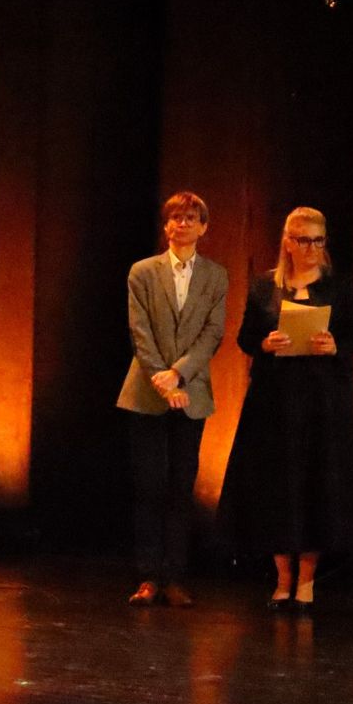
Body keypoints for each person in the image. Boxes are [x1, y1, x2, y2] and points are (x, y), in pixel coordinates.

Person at [217, 207, 353, 613]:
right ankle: (282, 579)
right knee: (277, 489)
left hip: (322, 403)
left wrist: (335, 345)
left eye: (318, 241)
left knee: (317, 487)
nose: (311, 249)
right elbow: (246, 338)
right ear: (287, 242)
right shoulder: (265, 286)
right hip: (275, 402)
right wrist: (266, 343)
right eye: (304, 241)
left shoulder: (339, 286)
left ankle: (307, 581)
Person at [116, 191, 229, 607]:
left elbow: (213, 333)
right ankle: (147, 576)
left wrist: (179, 373)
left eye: (191, 218)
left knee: (182, 486)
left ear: (203, 227)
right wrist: (163, 379)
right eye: (176, 218)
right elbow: (139, 331)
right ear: (166, 225)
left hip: (191, 391)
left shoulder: (216, 276)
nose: (183, 224)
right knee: (149, 485)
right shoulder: (142, 271)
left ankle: (175, 576)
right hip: (146, 391)